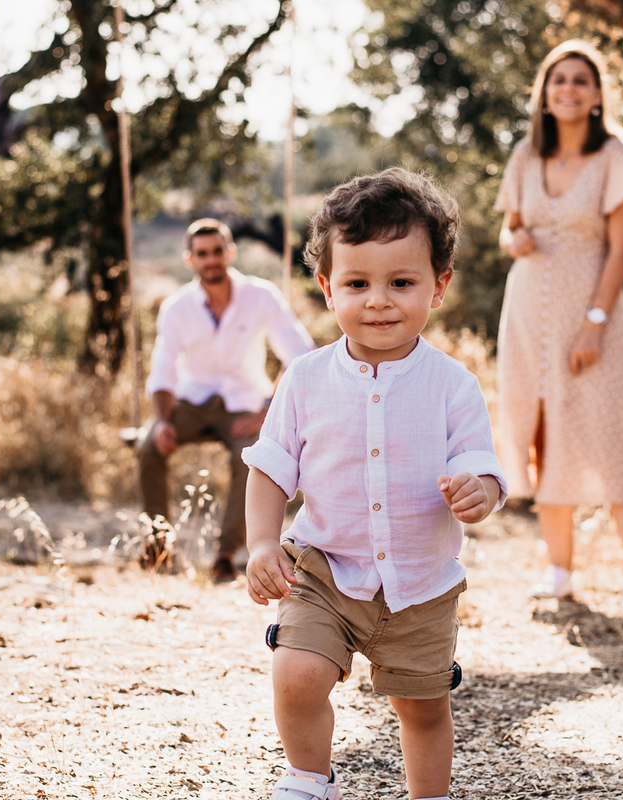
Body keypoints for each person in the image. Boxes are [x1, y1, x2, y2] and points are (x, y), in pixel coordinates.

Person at [242, 168, 507, 800]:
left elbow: (483, 465)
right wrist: (261, 544)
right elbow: (270, 467)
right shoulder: (305, 379)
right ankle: (309, 779)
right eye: (357, 283)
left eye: (401, 283)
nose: (379, 300)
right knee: (296, 673)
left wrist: (479, 490)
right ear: (327, 288)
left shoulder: (452, 384)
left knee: (423, 709)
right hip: (323, 572)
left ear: (438, 286)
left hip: (419, 585)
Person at [494, 41, 623, 606]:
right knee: (542, 430)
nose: (567, 89)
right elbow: (509, 229)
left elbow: (621, 250)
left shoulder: (616, 159)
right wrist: (514, 239)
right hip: (527, 313)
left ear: (597, 95)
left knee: (610, 432)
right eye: (558, 80)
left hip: (592, 314)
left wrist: (595, 322)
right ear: (544, 94)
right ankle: (559, 570)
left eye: (579, 80)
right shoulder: (525, 155)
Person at [139, 218, 313, 580]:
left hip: (245, 402)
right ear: (190, 259)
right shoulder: (177, 306)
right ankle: (158, 546)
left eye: (217, 251)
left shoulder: (261, 295)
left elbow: (299, 354)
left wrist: (266, 411)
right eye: (202, 254)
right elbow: (163, 369)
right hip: (192, 400)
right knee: (148, 446)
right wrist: (164, 421)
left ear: (230, 253)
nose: (211, 260)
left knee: (253, 457)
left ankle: (225, 553)